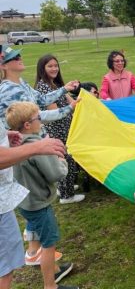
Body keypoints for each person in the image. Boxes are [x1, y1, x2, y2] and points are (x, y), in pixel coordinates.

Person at [0, 46, 80, 266]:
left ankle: (34, 250)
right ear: (4, 65)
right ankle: (43, 256)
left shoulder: (22, 83)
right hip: (27, 145)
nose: (19, 58)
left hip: (34, 141)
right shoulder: (7, 91)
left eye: (19, 55)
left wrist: (64, 89)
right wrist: (69, 109)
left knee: (33, 198)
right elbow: (37, 115)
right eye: (13, 57)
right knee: (37, 196)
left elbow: (41, 100)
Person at [7, 101, 78, 289]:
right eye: (37, 118)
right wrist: (62, 158)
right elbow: (56, 173)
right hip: (38, 203)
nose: (41, 121)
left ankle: (35, 256)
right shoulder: (37, 147)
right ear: (28, 125)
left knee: (36, 229)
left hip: (25, 201)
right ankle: (50, 285)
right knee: (49, 244)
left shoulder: (14, 144)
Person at [35, 54, 85, 205]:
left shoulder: (54, 84)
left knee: (64, 159)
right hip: (57, 130)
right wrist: (71, 107)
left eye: (56, 65)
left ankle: (63, 187)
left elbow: (72, 101)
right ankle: (66, 195)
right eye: (50, 66)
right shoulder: (43, 86)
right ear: (42, 69)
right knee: (65, 160)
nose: (54, 68)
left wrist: (84, 99)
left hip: (64, 128)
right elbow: (54, 112)